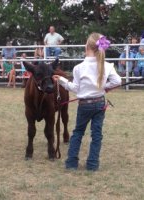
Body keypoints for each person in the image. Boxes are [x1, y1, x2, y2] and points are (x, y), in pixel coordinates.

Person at [52, 32, 121, 171]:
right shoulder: (107, 65)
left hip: (84, 105)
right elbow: (117, 81)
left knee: (78, 132)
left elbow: (75, 88)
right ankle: (92, 165)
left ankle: (71, 163)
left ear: (87, 47)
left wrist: (61, 80)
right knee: (97, 135)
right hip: (100, 103)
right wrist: (104, 88)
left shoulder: (79, 68)